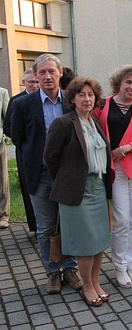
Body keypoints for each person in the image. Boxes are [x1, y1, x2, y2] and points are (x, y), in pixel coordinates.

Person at [10, 54, 83, 294]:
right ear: (35, 76)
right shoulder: (22, 105)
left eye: (52, 71)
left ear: (60, 73)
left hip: (67, 174)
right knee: (45, 227)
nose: (47, 76)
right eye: (42, 72)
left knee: (69, 223)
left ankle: (71, 268)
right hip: (40, 175)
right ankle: (52, 271)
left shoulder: (71, 102)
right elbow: (18, 138)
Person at [44, 77, 112, 307]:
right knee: (86, 243)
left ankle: (96, 280)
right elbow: (50, 158)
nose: (87, 99)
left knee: (100, 239)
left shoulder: (95, 122)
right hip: (77, 191)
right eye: (81, 95)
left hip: (99, 187)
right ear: (72, 99)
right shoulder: (63, 123)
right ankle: (87, 286)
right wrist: (68, 180)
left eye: (91, 95)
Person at [93, 64, 132, 288]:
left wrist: (127, 148)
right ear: (119, 82)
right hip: (115, 168)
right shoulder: (103, 105)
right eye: (128, 82)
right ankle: (119, 265)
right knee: (121, 219)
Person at [4, 69, 39, 232]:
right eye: (31, 82)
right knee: (28, 186)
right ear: (24, 82)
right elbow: (8, 127)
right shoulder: (16, 101)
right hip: (24, 149)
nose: (35, 85)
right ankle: (34, 226)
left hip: (43, 149)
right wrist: (24, 141)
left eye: (36, 82)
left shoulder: (43, 98)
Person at [0, 87, 9, 229]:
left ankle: (3, 215)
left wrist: (5, 136)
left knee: (2, 180)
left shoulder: (2, 92)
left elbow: (8, 119)